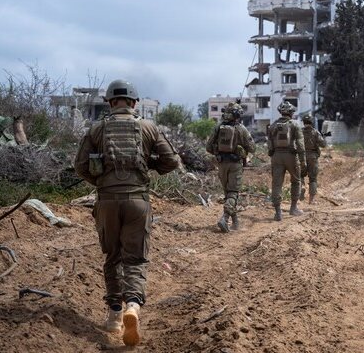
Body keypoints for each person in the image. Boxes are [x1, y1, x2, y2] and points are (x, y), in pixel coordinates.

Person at [74, 79, 180, 346]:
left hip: (107, 201)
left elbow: (80, 166)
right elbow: (172, 160)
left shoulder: (97, 128)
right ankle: (132, 305)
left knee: (113, 257)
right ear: (134, 102)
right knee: (135, 258)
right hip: (137, 201)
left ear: (110, 102)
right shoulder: (148, 127)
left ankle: (114, 315)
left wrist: (101, 183)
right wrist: (150, 166)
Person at [206, 102, 256, 232]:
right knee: (233, 193)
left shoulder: (218, 127)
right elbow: (252, 147)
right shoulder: (241, 128)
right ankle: (224, 219)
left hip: (221, 164)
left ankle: (235, 222)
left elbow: (208, 147)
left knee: (228, 193)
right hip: (235, 164)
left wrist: (218, 152)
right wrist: (241, 150)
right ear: (237, 115)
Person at [267, 101, 306, 221]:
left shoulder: (273, 125)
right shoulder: (294, 124)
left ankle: (278, 213)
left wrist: (272, 153)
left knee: (276, 184)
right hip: (291, 156)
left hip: (276, 156)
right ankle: (293, 208)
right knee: (296, 181)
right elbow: (300, 144)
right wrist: (303, 161)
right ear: (291, 113)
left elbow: (269, 143)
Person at [300, 113, 326, 204]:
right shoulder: (315, 132)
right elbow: (323, 144)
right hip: (312, 157)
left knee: (300, 176)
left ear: (303, 122)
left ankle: (301, 187)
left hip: (301, 156)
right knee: (313, 178)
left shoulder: (299, 132)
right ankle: (311, 200)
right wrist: (323, 137)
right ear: (312, 122)